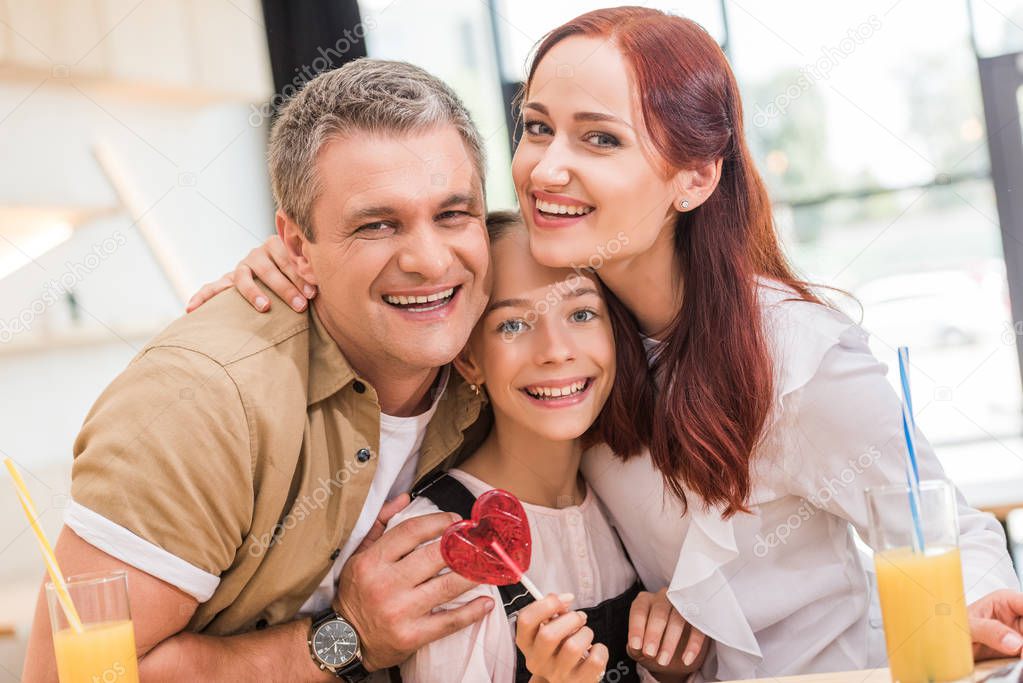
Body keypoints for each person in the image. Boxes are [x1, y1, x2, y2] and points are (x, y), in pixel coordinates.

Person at [191, 7, 1023, 681]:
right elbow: (396, 283)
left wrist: (981, 604)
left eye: (599, 139)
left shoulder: (797, 360)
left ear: (694, 178)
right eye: (536, 126)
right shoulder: (564, 343)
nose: (547, 168)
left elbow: (936, 519)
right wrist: (284, 273)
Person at [23, 59, 499, 682]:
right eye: (376, 224)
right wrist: (346, 638)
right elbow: (72, 679)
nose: (430, 260)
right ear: (297, 248)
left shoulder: (515, 339)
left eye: (452, 214)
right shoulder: (200, 401)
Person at [387, 210, 706, 682]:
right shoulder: (438, 542)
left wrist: (667, 674)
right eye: (512, 325)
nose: (556, 349)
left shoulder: (625, 497)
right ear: (470, 361)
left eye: (581, 314)